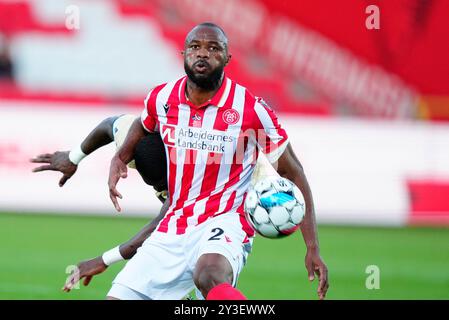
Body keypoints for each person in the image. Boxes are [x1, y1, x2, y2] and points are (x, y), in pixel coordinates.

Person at [107, 22, 329, 300]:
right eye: (195, 47)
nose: (203, 54)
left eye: (213, 48)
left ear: (227, 58)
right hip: (174, 225)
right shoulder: (162, 97)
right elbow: (143, 124)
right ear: (184, 53)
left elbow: (294, 173)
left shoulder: (250, 109)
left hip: (228, 220)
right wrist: (121, 156)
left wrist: (312, 247)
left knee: (209, 274)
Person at [31, 114, 171, 291]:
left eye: (162, 187)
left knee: (205, 274)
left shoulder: (189, 181)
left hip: (210, 223)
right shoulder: (137, 134)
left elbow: (158, 228)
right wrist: (74, 157)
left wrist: (103, 260)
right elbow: (109, 125)